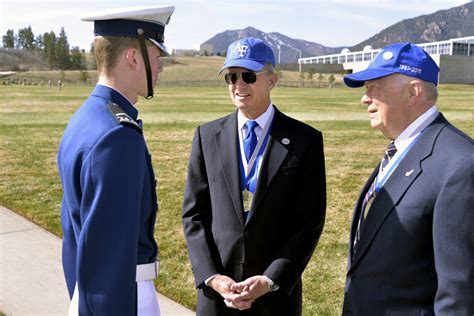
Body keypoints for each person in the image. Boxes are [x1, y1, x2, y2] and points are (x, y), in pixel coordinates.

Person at [182, 37, 326, 315]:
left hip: (274, 296)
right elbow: (194, 215)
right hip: (218, 296)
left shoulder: (304, 140)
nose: (239, 84)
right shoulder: (207, 136)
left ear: (272, 80)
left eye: (249, 76)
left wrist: (271, 279)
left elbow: (308, 222)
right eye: (231, 76)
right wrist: (212, 276)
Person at [57, 5, 174, 315]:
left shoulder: (84, 118)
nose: (160, 66)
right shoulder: (117, 136)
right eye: (156, 55)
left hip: (88, 294)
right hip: (123, 297)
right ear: (132, 57)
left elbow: (74, 237)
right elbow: (110, 255)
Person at [342, 42, 473, 315]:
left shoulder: (460, 165)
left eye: (374, 87)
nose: (365, 98)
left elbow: (459, 293)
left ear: (413, 92)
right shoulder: (402, 149)